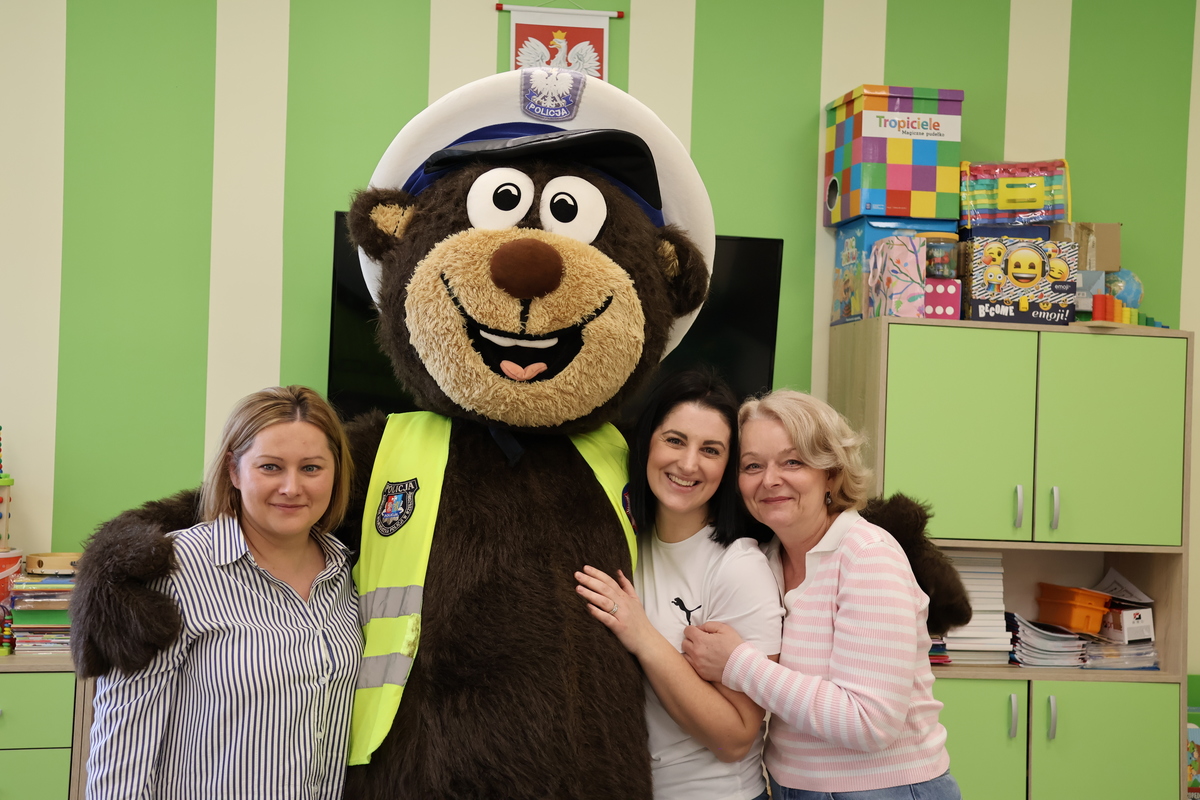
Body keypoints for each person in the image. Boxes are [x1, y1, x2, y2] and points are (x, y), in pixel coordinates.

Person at [682, 390, 962, 800]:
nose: (769, 479)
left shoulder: (867, 556)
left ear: (830, 473)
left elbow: (871, 723)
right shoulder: (764, 560)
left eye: (792, 462)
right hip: (793, 787)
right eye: (752, 465)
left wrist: (738, 663)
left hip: (886, 790)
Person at [84, 386, 361, 800]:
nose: (291, 487)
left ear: (335, 473)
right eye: (270, 467)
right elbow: (122, 750)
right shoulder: (175, 569)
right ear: (234, 470)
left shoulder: (348, 572)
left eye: (311, 468)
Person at [575, 370, 783, 800]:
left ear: (727, 466)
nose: (689, 464)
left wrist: (643, 637)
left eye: (710, 450)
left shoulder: (738, 568)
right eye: (675, 440)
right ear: (647, 442)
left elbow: (736, 738)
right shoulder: (625, 543)